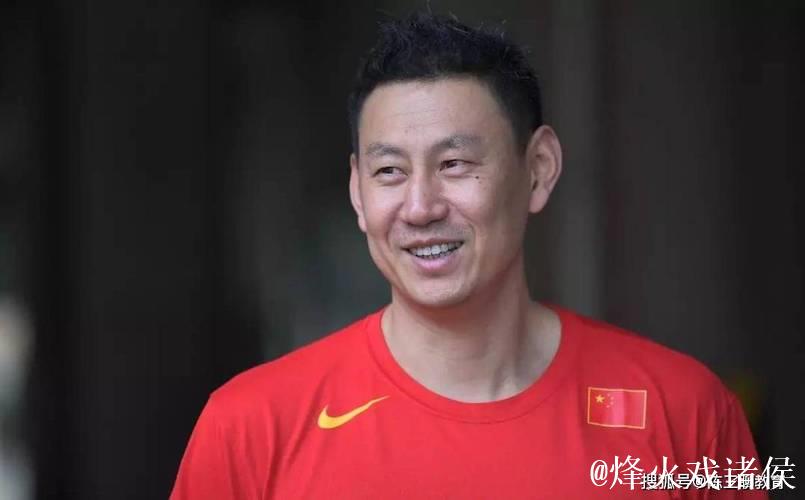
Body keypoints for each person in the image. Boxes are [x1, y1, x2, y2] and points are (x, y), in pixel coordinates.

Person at [171, 12, 766, 499]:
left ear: (538, 170)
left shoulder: (685, 414)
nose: (420, 207)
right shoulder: (250, 428)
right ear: (357, 191)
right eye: (389, 171)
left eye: (454, 164)